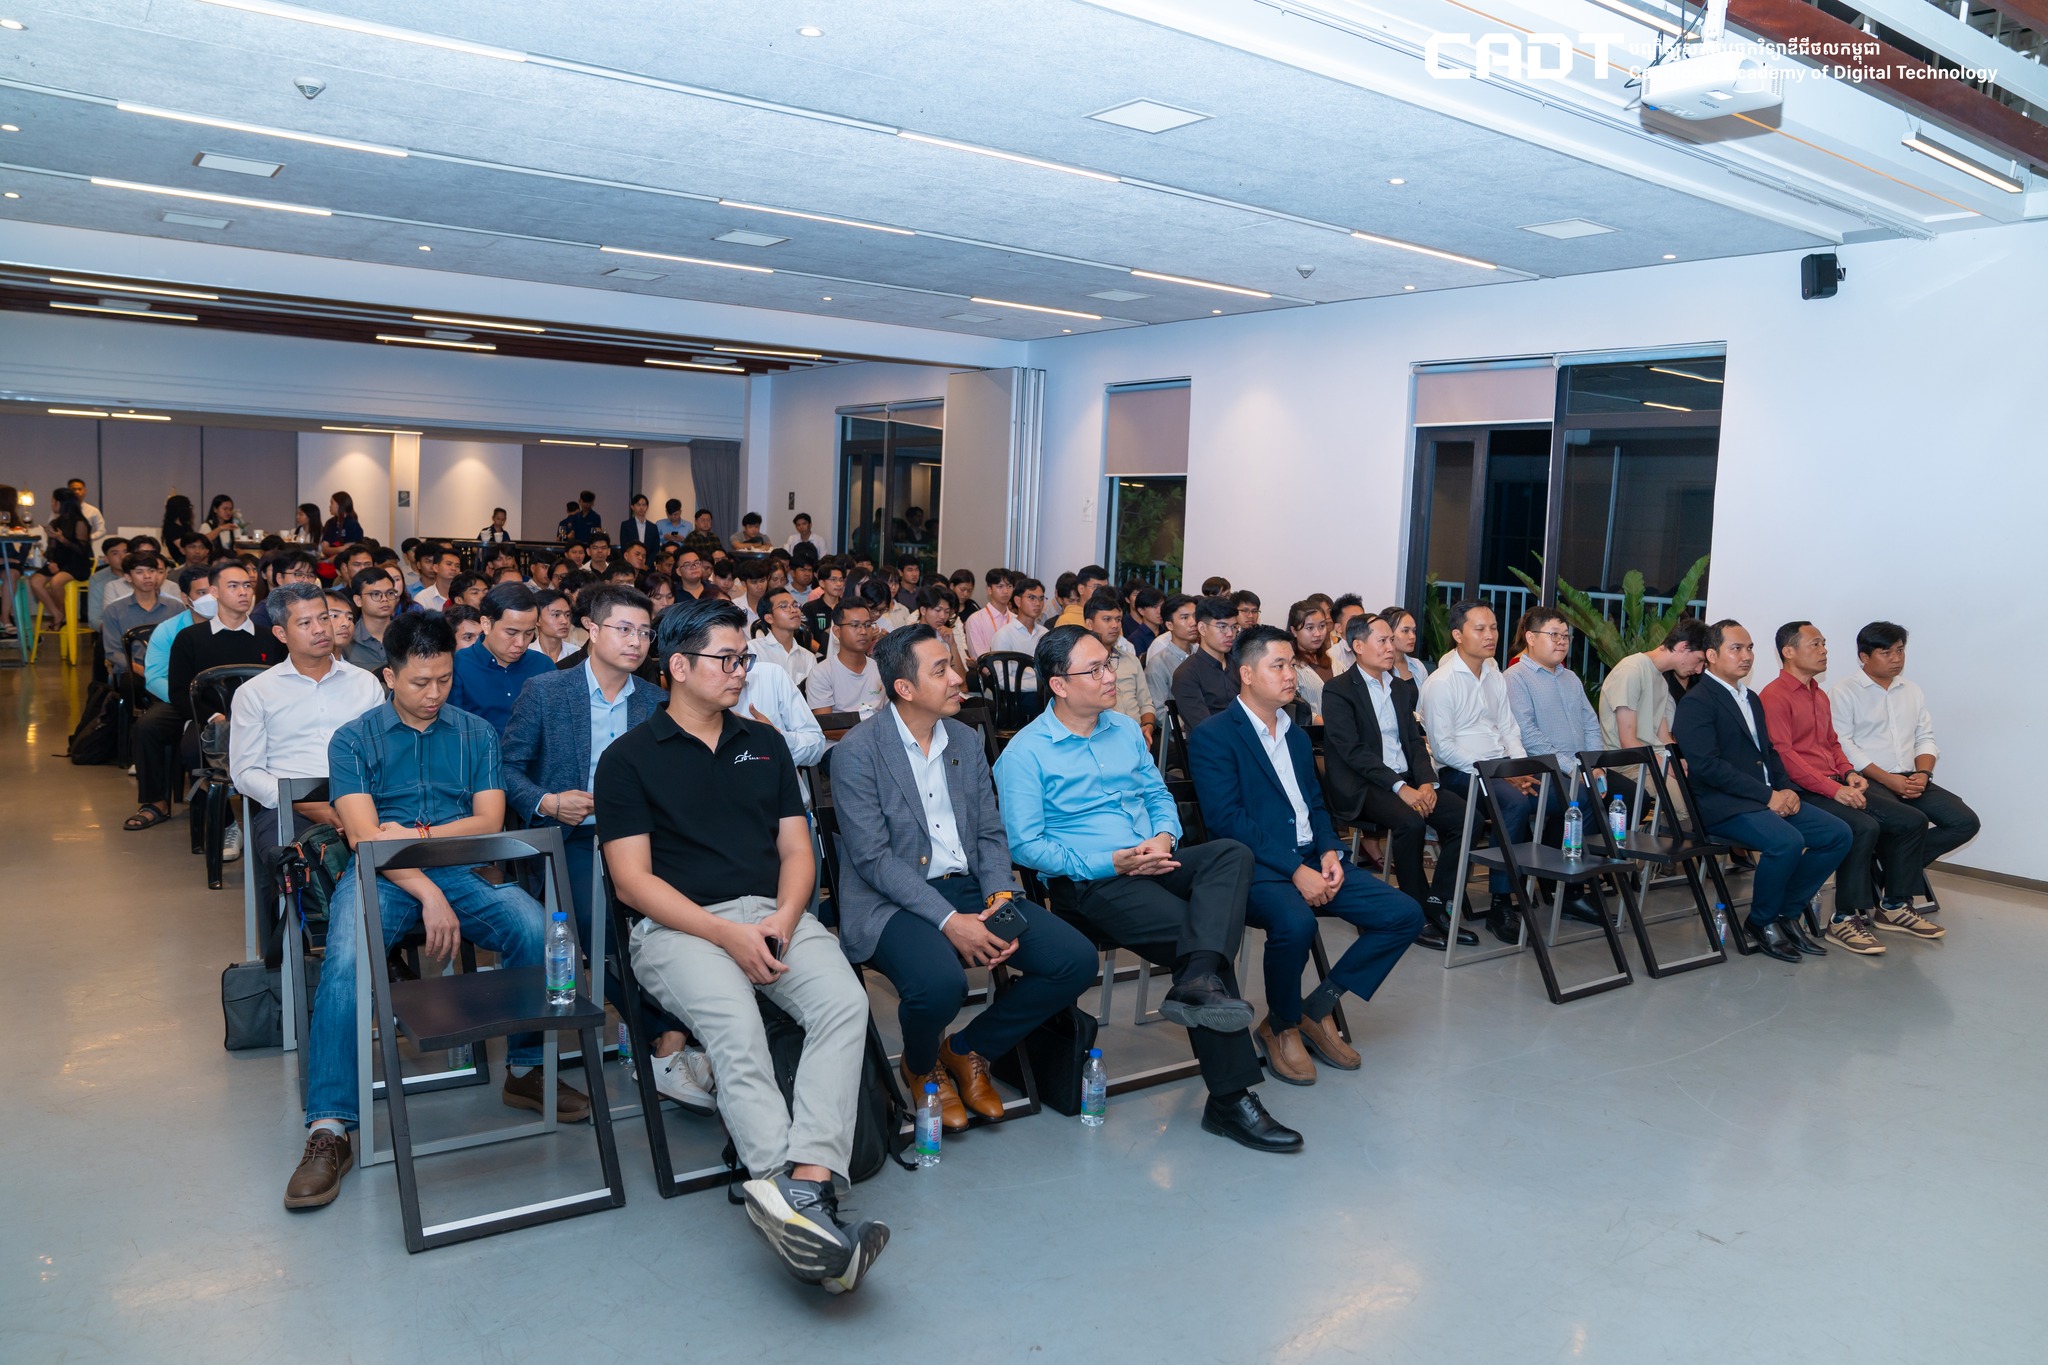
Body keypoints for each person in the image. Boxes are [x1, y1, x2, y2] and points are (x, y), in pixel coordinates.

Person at [597, 596, 889, 1293]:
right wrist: (726, 934)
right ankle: (787, 1188)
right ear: (678, 667)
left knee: (844, 1003)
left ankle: (806, 1183)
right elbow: (633, 883)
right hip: (678, 927)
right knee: (735, 1024)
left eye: (744, 658)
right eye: (726, 659)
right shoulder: (628, 759)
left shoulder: (765, 743)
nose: (740, 671)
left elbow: (797, 851)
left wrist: (784, 918)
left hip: (772, 913)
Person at [285, 610, 584, 1212]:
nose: (434, 693)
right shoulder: (354, 739)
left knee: (535, 929)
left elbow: (489, 822)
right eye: (420, 682)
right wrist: (427, 891)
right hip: (383, 876)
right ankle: (330, 1127)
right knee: (346, 960)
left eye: (445, 679)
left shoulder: (476, 734)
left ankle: (525, 1068)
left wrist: (418, 835)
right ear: (390, 676)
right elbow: (365, 839)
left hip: (461, 869)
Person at [996, 625, 1299, 1153]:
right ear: (1059, 685)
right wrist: (1110, 861)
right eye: (1094, 669)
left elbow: (1159, 796)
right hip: (1090, 881)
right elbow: (1025, 846)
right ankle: (1230, 1099)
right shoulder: (1025, 754)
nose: (1109, 676)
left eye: (1108, 663)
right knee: (1197, 935)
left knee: (1231, 853)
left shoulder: (1122, 729)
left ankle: (1197, 979)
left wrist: (1163, 838)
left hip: (1152, 858)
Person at [832, 624, 1096, 1130]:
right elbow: (873, 860)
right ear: (905, 688)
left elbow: (990, 832)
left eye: (953, 666)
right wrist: (952, 922)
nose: (958, 678)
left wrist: (998, 895)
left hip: (972, 887)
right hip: (892, 900)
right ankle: (919, 1063)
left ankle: (970, 1048)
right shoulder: (858, 752)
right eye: (942, 671)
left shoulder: (965, 739)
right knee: (940, 985)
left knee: (1074, 960)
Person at [500, 584, 716, 1112]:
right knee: (605, 932)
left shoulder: (655, 700)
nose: (636, 641)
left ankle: (675, 1040)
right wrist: (549, 802)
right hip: (571, 838)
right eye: (624, 629)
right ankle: (668, 1042)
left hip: (644, 840)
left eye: (645, 632)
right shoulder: (547, 691)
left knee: (693, 919)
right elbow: (505, 768)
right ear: (592, 631)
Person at [1187, 625, 1422, 1086]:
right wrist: (1295, 869)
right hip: (1256, 866)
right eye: (1278, 665)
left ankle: (1316, 1009)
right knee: (1296, 924)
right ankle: (1282, 1025)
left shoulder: (1295, 735)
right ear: (1247, 674)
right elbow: (1227, 820)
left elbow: (1314, 803)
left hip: (1313, 858)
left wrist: (1331, 850)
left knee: (1403, 914)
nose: (1290, 674)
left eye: (1291, 664)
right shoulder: (1214, 735)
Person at [1671, 620, 1853, 964]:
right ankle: (1761, 921)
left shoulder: (1750, 698)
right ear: (1711, 655)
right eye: (1736, 649)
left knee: (1837, 834)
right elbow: (1708, 767)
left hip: (1763, 797)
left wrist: (1786, 789)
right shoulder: (1697, 702)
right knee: (1786, 841)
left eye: (1750, 648)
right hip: (1722, 805)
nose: (1747, 656)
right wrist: (1767, 796)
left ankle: (1787, 913)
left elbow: (1769, 752)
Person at [1762, 622, 1941, 951]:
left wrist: (1847, 773)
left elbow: (1832, 743)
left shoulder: (1817, 693)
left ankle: (1894, 905)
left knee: (1912, 820)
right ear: (1789, 652)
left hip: (1832, 782)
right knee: (1862, 826)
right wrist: (1835, 790)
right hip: (1802, 790)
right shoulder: (1774, 696)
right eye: (1815, 644)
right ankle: (1844, 918)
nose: (1824, 650)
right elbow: (1786, 758)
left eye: (1824, 644)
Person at [1322, 613, 1471, 950]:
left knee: (1466, 818)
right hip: (1364, 785)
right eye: (1383, 641)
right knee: (1410, 823)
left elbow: (1414, 742)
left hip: (1407, 779)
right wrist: (1399, 787)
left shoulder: (1400, 688)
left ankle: (1437, 902)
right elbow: (1353, 752)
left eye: (1392, 640)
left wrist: (1427, 783)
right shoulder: (1338, 690)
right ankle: (1414, 913)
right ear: (1358, 646)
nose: (1391, 647)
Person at [228, 581, 386, 861]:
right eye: (305, 623)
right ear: (281, 633)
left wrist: (354, 805)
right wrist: (305, 805)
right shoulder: (255, 693)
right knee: (296, 860)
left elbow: (381, 753)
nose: (320, 629)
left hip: (363, 798)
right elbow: (246, 772)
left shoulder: (365, 683)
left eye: (324, 618)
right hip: (290, 806)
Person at [1830, 621, 1979, 915]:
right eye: (1886, 653)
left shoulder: (1911, 690)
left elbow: (1925, 738)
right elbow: (1843, 745)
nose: (1896, 658)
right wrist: (1888, 780)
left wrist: (1923, 774)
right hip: (1867, 780)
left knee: (1964, 822)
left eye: (1900, 650)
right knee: (1911, 821)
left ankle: (1889, 864)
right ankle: (1896, 902)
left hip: (1910, 777)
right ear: (1864, 657)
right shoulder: (1844, 691)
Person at [1418, 600, 1532, 944]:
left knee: (1556, 796)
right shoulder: (1441, 683)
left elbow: (1508, 727)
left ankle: (1563, 889)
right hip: (1459, 772)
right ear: (1457, 635)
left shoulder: (1494, 673)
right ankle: (1501, 904)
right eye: (1479, 629)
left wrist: (1520, 767)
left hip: (1500, 768)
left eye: (1493, 627)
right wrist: (1498, 773)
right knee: (1515, 804)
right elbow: (1444, 749)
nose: (1490, 635)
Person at [446, 583, 551, 732]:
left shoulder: (543, 666)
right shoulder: (457, 665)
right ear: (486, 624)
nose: (521, 643)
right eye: (511, 633)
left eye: (528, 633)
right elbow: (451, 730)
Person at [1598, 618, 1708, 751]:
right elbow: (1628, 743)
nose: (1699, 670)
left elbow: (1664, 739)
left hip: (1653, 759)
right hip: (1629, 761)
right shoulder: (1631, 670)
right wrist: (1664, 763)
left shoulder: (1661, 681)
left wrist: (1681, 760)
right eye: (1699, 660)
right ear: (1683, 646)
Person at [1082, 587, 1156, 748]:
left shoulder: (1131, 660)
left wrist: (1148, 726)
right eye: (1107, 619)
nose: (1115, 625)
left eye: (1118, 619)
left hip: (1138, 734)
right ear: (1089, 624)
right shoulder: (1081, 664)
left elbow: (1146, 703)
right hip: (1101, 737)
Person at [101, 552, 181, 697]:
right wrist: (144, 671)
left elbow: (184, 643)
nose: (147, 576)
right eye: (139, 572)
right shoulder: (114, 610)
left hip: (169, 668)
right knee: (130, 684)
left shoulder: (176, 607)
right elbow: (113, 652)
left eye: (152, 571)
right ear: (128, 577)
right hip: (133, 671)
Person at [805, 600, 884, 719]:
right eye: (855, 625)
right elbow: (827, 725)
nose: (863, 631)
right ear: (837, 631)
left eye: (867, 625)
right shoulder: (821, 674)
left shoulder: (881, 668)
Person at [1170, 595, 1241, 727]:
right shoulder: (1186, 674)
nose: (1230, 634)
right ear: (1202, 628)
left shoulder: (1239, 665)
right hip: (1212, 738)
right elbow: (1204, 727)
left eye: (1234, 627)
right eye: (1222, 626)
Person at [1145, 592, 1198, 708]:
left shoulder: (1200, 653)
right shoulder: (1158, 664)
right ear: (1170, 625)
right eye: (1184, 618)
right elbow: (1159, 710)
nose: (1193, 623)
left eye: (1195, 616)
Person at [342, 567, 399, 672]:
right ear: (358, 600)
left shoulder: (408, 635)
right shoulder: (346, 640)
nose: (385, 599)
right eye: (375, 594)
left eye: (390, 593)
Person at [988, 575, 1048, 672]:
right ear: (1018, 601)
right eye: (1031, 598)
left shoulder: (1045, 634)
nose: (1038, 603)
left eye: (1041, 598)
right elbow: (1001, 678)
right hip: (1016, 682)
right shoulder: (1004, 635)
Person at [1287, 599, 1335, 716]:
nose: (1317, 634)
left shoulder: (1335, 662)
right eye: (1310, 628)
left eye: (1322, 626)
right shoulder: (1290, 667)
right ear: (1294, 631)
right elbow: (1293, 708)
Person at [963, 568, 1015, 659]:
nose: (1006, 591)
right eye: (1000, 586)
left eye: (1009, 586)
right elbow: (980, 657)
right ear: (989, 590)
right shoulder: (975, 620)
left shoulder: (1016, 619)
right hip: (988, 667)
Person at [84, 536, 128, 635]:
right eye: (115, 553)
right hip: (111, 630)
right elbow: (94, 619)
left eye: (126, 552)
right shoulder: (98, 579)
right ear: (106, 559)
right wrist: (110, 629)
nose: (122, 557)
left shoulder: (140, 576)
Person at [1380, 606, 1431, 688]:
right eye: (1405, 631)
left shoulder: (1418, 666)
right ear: (1388, 632)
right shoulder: (1378, 668)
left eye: (1414, 631)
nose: (1412, 636)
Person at [409, 544, 459, 612]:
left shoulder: (464, 595)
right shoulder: (422, 598)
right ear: (436, 568)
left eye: (457, 566)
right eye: (449, 564)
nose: (454, 568)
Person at [618, 494, 661, 559]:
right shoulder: (626, 525)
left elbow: (655, 549)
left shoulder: (653, 527)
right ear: (632, 507)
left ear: (647, 507)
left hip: (648, 562)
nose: (641, 508)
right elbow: (624, 546)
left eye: (644, 505)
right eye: (638, 505)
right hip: (631, 561)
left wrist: (647, 563)